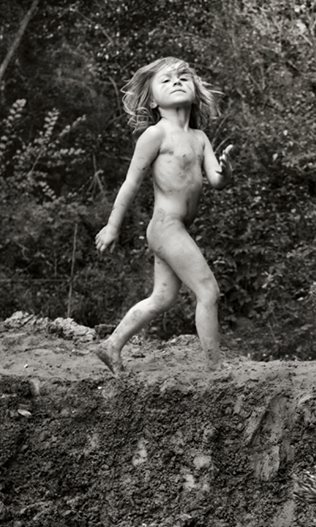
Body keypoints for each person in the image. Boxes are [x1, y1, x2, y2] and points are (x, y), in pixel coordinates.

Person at [94, 56, 234, 375]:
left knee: (162, 298)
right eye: (166, 80)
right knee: (208, 291)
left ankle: (111, 345)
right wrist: (112, 226)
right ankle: (215, 368)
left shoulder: (199, 138)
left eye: (183, 76)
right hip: (165, 227)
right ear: (154, 101)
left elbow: (216, 180)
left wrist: (227, 172)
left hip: (177, 228)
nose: (176, 82)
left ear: (196, 89)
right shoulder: (157, 134)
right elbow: (131, 182)